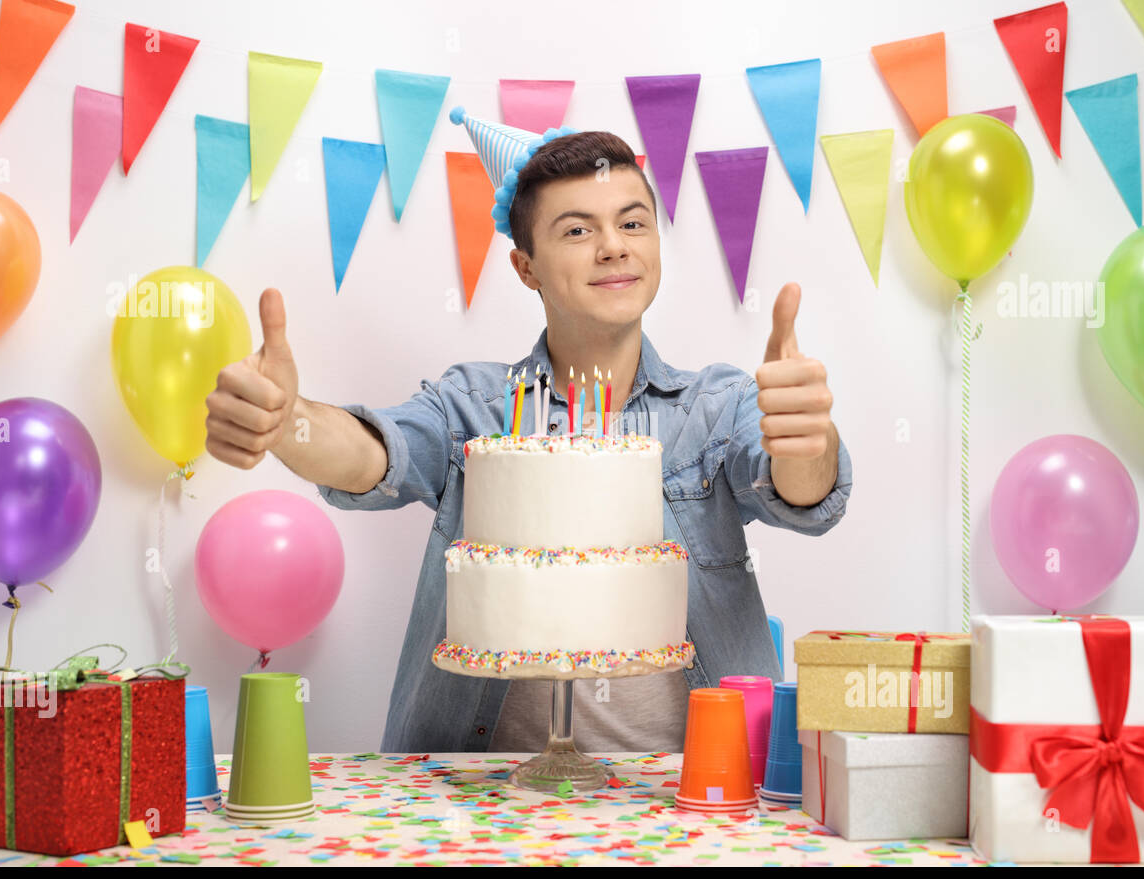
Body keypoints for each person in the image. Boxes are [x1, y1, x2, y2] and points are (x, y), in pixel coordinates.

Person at [204, 118, 852, 754]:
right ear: (526, 267)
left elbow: (800, 492)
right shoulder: (475, 408)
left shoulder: (718, 406)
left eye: (632, 223)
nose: (614, 246)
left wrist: (805, 442)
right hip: (486, 800)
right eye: (577, 230)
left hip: (692, 794)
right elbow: (376, 455)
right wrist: (287, 420)